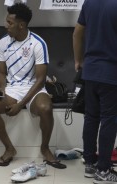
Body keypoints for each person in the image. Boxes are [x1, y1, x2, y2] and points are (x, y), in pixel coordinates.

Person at [0, 2, 66, 169]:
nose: (6, 25)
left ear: (21, 25)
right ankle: (9, 149)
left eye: (10, 22)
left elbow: (40, 79)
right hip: (13, 88)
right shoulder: (3, 42)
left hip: (34, 88)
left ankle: (45, 148)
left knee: (45, 108)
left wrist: (20, 105)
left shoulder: (38, 43)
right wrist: (1, 88)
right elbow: (1, 73)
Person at [73, 0, 117, 183]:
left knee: (91, 117)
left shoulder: (89, 3)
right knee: (109, 119)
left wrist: (77, 61)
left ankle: (90, 164)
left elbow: (77, 34)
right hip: (111, 72)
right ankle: (104, 170)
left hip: (90, 71)